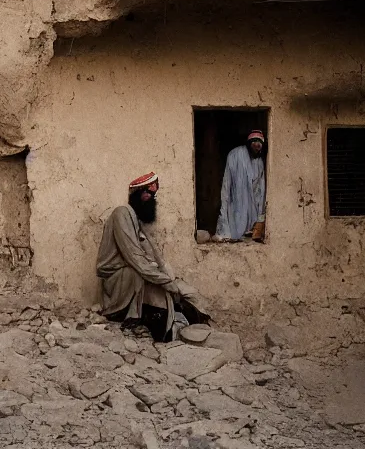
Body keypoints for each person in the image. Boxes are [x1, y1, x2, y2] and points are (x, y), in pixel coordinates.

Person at [96, 172, 210, 342]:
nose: (150, 198)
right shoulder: (122, 213)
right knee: (143, 275)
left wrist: (170, 280)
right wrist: (165, 281)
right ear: (136, 194)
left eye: (153, 195)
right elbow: (135, 259)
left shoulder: (137, 221)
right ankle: (131, 318)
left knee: (172, 286)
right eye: (147, 193)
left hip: (130, 274)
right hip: (117, 280)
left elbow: (153, 257)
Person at [215, 130, 266, 242]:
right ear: (248, 143)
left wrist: (260, 217)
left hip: (251, 207)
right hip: (235, 202)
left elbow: (261, 190)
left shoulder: (259, 162)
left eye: (260, 142)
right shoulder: (235, 155)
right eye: (254, 141)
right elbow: (227, 183)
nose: (257, 145)